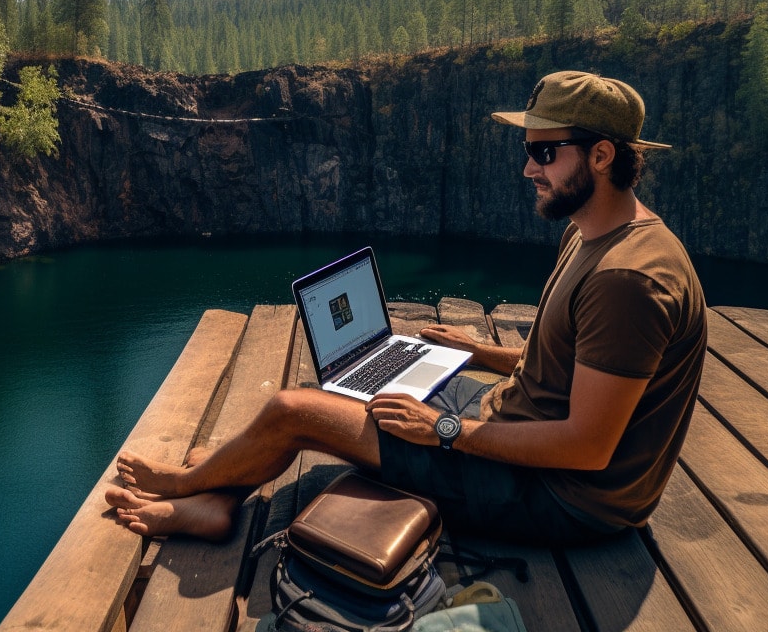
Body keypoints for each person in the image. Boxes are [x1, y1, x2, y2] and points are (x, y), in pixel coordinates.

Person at [109, 71, 707, 547]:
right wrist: (478, 351)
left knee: (293, 410)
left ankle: (191, 484)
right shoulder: (595, 232)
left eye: (545, 152)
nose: (528, 168)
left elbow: (588, 447)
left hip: (561, 498)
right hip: (516, 424)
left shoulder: (627, 280)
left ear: (601, 155)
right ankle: (218, 495)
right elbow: (570, 366)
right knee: (356, 391)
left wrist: (444, 430)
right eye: (528, 150)